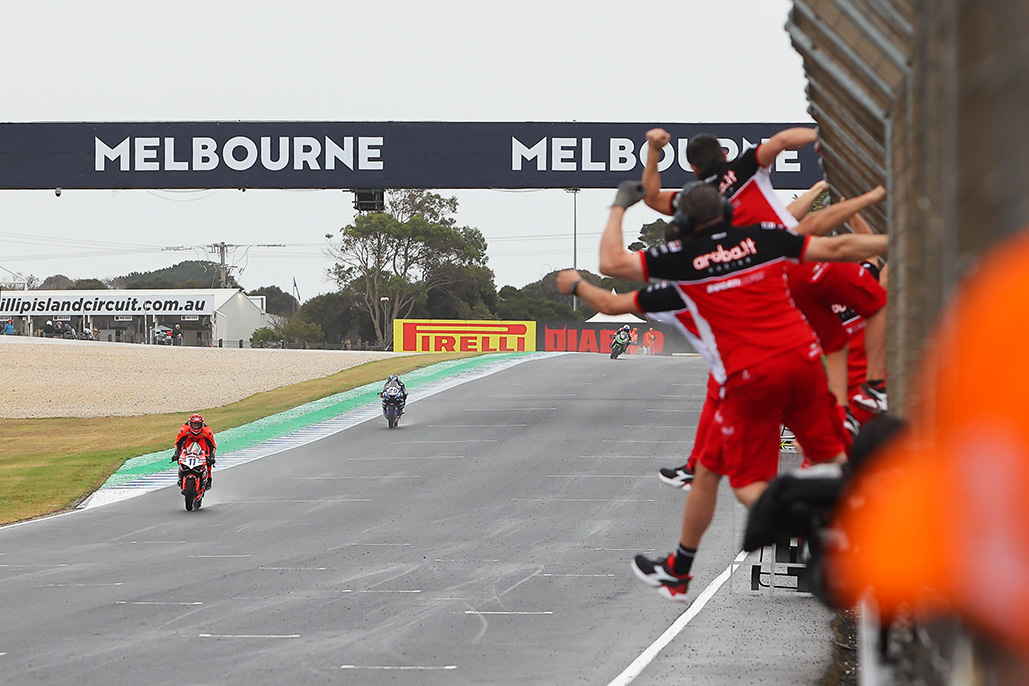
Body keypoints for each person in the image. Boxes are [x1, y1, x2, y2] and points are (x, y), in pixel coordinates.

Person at [595, 179, 888, 601]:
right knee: (804, 467)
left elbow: (611, 281)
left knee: (748, 482)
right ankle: (683, 564)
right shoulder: (772, 247)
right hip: (802, 371)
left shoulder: (689, 266)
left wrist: (581, 274)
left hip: (747, 380)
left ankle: (825, 532)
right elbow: (832, 248)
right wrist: (873, 206)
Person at [171, 413, 217, 489]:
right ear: (190, 424)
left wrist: (212, 456)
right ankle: (180, 476)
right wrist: (176, 453)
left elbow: (212, 446)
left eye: (198, 425)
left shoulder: (207, 431)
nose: (196, 427)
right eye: (194, 425)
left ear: (201, 424)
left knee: (208, 457)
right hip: (189, 439)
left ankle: (209, 478)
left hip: (202, 440)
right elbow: (178, 443)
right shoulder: (184, 430)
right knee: (180, 455)